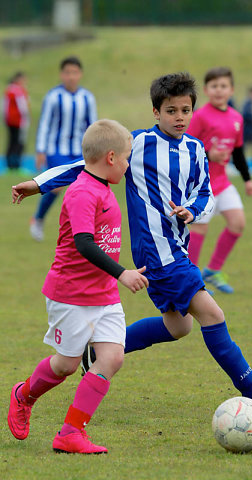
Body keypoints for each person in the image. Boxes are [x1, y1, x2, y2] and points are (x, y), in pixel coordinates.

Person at [12, 72, 252, 415]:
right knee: (212, 312)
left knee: (180, 326)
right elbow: (85, 166)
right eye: (171, 110)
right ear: (156, 112)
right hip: (156, 251)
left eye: (185, 110)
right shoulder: (135, 145)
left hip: (176, 247)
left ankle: (96, 352)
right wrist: (39, 184)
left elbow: (206, 194)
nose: (179, 117)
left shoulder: (195, 150)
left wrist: (192, 211)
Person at [8, 119, 149, 454]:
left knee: (112, 358)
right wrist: (122, 273)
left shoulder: (100, 184)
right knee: (66, 365)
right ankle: (23, 395)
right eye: (127, 158)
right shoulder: (83, 192)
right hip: (71, 294)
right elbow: (84, 243)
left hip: (104, 295)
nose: (129, 165)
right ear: (111, 158)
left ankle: (71, 432)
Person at [187, 67, 252, 294]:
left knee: (238, 222)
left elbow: (237, 152)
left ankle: (213, 270)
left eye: (223, 86)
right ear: (206, 90)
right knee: (199, 230)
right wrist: (209, 155)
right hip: (200, 185)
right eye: (214, 86)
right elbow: (187, 149)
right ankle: (192, 278)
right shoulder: (199, 117)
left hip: (223, 183)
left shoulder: (236, 118)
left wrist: (247, 179)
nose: (219, 90)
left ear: (231, 90)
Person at [30, 56, 97, 242]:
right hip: (56, 149)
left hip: (79, 150)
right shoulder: (53, 96)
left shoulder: (87, 98)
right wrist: (40, 150)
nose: (71, 76)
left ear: (80, 74)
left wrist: (95, 148)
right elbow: (44, 124)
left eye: (74, 72)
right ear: (61, 74)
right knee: (58, 186)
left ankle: (80, 228)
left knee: (84, 188)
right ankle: (38, 219)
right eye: (67, 72)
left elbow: (92, 126)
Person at [3, 72, 30, 172]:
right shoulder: (18, 91)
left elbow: (4, 106)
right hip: (18, 121)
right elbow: (22, 106)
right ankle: (16, 165)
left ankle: (10, 165)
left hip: (10, 121)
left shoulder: (9, 90)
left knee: (11, 142)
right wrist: (25, 118)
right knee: (18, 143)